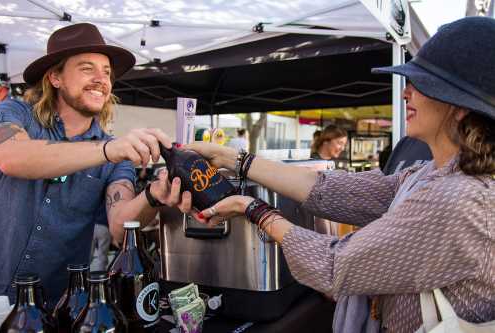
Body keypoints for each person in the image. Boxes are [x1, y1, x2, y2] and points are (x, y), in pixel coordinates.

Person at [175, 17, 495, 332]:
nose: (405, 92)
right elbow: (331, 190)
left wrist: (252, 209)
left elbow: (335, 265)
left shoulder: (459, 199)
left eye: (421, 82)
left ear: (460, 105)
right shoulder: (432, 174)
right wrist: (235, 159)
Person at [0, 23, 189, 306]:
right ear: (55, 77)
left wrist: (152, 197)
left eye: (107, 72)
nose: (101, 79)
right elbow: (11, 157)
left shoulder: (114, 154)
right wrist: (108, 149)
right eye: (87, 69)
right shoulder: (14, 112)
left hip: (58, 306)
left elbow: (122, 229)